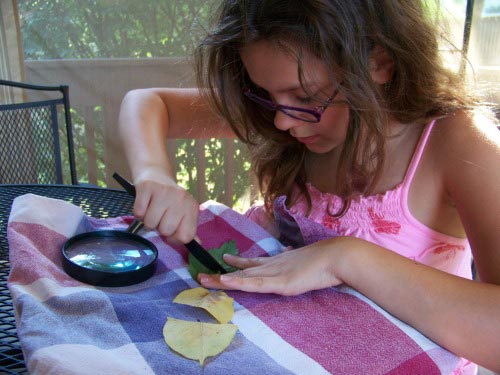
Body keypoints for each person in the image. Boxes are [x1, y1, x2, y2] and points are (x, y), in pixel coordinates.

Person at [118, 1, 500, 372]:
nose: (281, 122)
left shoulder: (456, 141)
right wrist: (154, 172)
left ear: (378, 63)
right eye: (265, 94)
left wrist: (345, 258)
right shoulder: (292, 118)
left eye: (304, 97)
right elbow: (148, 102)